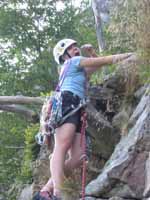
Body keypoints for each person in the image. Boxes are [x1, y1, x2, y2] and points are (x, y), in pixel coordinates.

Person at [33, 39, 133, 200]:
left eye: (75, 46)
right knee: (62, 146)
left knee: (79, 155)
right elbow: (107, 60)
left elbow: (98, 64)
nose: (75, 49)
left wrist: (92, 52)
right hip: (67, 101)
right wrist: (131, 55)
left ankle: (46, 190)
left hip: (76, 105)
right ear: (64, 55)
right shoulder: (73, 62)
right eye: (70, 48)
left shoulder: (76, 68)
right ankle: (59, 193)